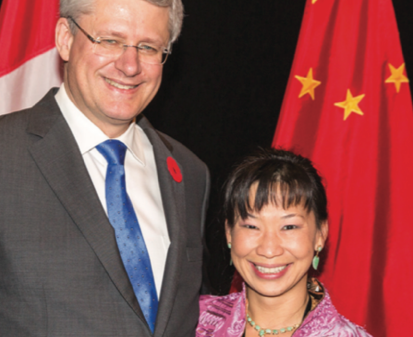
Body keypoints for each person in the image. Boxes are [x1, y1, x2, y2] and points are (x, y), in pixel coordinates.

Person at [0, 0, 209, 336]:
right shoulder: (5, 156)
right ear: (65, 38)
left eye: (148, 47)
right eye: (110, 40)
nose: (130, 65)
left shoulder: (190, 173)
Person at [196, 148, 371, 337]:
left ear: (320, 234)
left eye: (289, 227)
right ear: (229, 232)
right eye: (252, 226)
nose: (269, 249)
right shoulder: (191, 321)